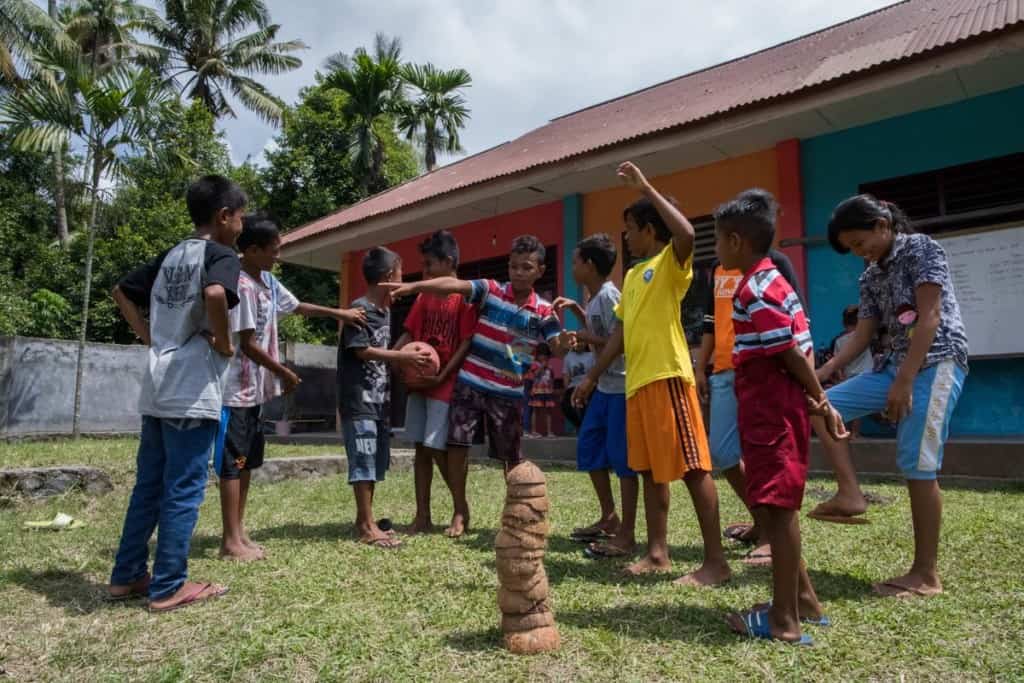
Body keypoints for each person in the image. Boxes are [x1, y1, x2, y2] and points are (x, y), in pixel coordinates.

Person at [574, 162, 729, 585]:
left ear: (650, 228)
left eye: (631, 227)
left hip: (668, 377)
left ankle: (715, 562)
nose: (626, 235)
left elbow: (688, 235)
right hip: (636, 384)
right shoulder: (632, 275)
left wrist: (646, 184)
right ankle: (657, 552)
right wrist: (591, 377)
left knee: (695, 469)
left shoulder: (669, 262)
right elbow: (619, 337)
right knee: (649, 471)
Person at [813, 195, 968, 598]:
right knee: (817, 405)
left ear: (883, 223)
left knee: (917, 463)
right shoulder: (870, 275)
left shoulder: (921, 248)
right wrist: (823, 373)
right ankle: (850, 494)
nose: (861, 253)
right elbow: (863, 335)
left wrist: (904, 380)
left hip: (935, 362)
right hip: (892, 367)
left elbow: (930, 317)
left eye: (862, 243)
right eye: (854, 250)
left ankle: (925, 574)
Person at [712, 189, 848, 644]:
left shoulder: (756, 288)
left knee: (779, 508)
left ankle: (784, 621)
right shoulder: (775, 281)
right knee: (772, 504)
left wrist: (821, 400)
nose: (716, 250)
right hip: (769, 408)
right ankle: (804, 599)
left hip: (772, 409)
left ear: (735, 240)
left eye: (718, 241)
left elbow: (789, 353)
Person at [107, 175, 246, 612]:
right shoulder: (221, 254)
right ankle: (169, 584)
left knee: (149, 483)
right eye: (240, 217)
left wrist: (151, 336)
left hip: (158, 383)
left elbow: (120, 291)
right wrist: (224, 343)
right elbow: (214, 293)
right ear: (224, 216)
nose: (241, 225)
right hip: (191, 387)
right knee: (184, 486)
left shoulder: (172, 255)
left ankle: (126, 576)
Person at [384, 235, 566, 535]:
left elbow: (558, 348)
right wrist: (416, 286)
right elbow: (455, 285)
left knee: (510, 459)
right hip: (470, 382)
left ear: (540, 271)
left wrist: (567, 342)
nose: (518, 272)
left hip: (508, 393)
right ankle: (459, 510)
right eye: (514, 266)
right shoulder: (491, 291)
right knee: (457, 447)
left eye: (526, 267)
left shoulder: (544, 311)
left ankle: (516, 515)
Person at [216, 213, 368, 561]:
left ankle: (239, 532)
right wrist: (284, 372)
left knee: (248, 461)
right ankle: (229, 540)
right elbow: (248, 344)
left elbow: (296, 306)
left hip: (257, 390)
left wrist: (337, 313)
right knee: (233, 463)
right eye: (273, 250)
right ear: (252, 250)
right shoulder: (239, 285)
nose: (278, 256)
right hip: (235, 389)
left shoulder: (267, 281)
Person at [693, 237, 807, 566]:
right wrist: (702, 366)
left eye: (721, 236)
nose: (716, 245)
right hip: (725, 371)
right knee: (723, 453)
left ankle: (774, 537)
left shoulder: (775, 264)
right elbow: (711, 320)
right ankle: (762, 522)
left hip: (765, 372)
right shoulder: (717, 270)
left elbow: (796, 319)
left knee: (765, 457)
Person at [337, 247, 434, 549]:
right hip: (359, 400)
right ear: (388, 276)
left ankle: (364, 519)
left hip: (379, 401)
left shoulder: (385, 312)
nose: (403, 280)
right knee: (363, 459)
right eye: (400, 274)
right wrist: (401, 357)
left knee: (375, 461)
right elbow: (361, 350)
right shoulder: (360, 310)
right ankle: (367, 527)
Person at [554, 233, 638, 559]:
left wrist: (582, 335)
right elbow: (598, 336)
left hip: (619, 388)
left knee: (623, 459)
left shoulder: (610, 296)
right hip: (604, 387)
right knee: (589, 446)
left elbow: (620, 340)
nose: (572, 266)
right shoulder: (594, 298)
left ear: (589, 264)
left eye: (575, 260)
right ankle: (608, 516)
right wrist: (578, 314)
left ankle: (625, 530)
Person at [391, 230, 478, 536]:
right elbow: (409, 334)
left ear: (449, 262)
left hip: (446, 382)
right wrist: (395, 357)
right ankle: (422, 515)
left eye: (429, 265)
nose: (424, 271)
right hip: (419, 382)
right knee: (421, 449)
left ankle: (459, 509)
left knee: (440, 448)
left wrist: (443, 374)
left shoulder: (463, 299)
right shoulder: (424, 297)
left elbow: (466, 342)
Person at [559, 335, 593, 431]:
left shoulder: (591, 356)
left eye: (581, 342)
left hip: (588, 386)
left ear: (586, 343)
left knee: (584, 403)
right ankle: (580, 426)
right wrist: (566, 390)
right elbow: (566, 375)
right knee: (565, 404)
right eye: (576, 342)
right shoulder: (568, 357)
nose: (578, 344)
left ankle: (587, 427)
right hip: (573, 386)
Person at [527, 344, 558, 437]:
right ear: (537, 355)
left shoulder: (550, 367)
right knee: (535, 411)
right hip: (537, 391)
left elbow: (552, 378)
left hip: (547, 391)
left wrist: (552, 388)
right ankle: (533, 431)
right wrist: (542, 367)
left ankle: (549, 432)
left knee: (549, 412)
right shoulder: (534, 364)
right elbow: (534, 375)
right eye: (541, 354)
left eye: (545, 355)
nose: (543, 357)